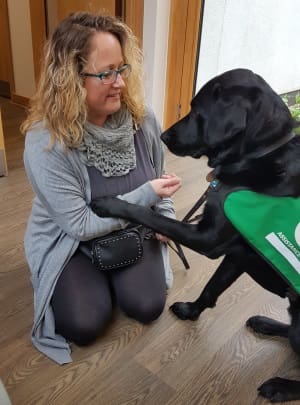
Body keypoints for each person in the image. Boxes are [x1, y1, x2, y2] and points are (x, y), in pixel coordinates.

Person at [21, 11, 181, 364]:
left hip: (134, 228)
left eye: (121, 68)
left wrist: (164, 218)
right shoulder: (46, 141)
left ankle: (111, 278)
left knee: (147, 305)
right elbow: (79, 225)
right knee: (83, 325)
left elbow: (160, 173)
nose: (120, 82)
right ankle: (86, 279)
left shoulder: (143, 118)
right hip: (73, 242)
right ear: (70, 79)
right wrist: (147, 196)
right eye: (106, 73)